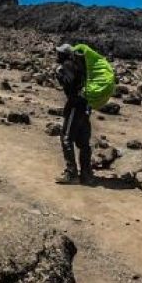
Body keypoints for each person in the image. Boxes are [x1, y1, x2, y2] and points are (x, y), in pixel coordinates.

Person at [53, 43, 94, 185]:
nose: (57, 55)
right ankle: (87, 174)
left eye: (59, 53)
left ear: (65, 54)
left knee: (66, 138)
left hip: (75, 106)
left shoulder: (68, 66)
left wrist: (59, 74)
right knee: (83, 142)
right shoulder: (81, 66)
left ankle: (71, 174)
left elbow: (69, 84)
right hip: (85, 105)